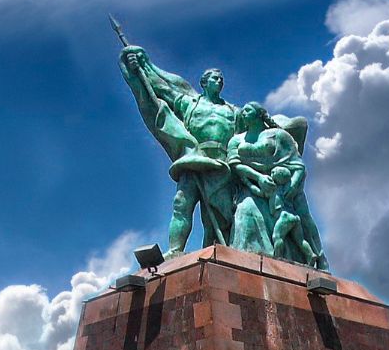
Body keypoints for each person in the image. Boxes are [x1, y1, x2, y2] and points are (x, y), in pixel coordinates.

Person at [118, 45, 237, 258]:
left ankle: (220, 255)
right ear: (203, 83)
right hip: (193, 158)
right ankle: (175, 250)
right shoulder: (189, 103)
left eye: (221, 79)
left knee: (217, 220)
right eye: (214, 78)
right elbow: (162, 88)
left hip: (222, 166)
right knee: (182, 204)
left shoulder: (233, 111)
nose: (219, 81)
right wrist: (140, 67)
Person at [227, 102, 329, 271]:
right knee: (244, 211)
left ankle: (320, 257)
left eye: (248, 110)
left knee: (304, 217)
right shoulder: (235, 140)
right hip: (252, 185)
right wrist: (259, 179)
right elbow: (235, 165)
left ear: (260, 114)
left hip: (287, 185)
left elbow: (298, 165)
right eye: (242, 111)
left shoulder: (278, 135)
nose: (243, 113)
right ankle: (255, 261)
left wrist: (291, 189)